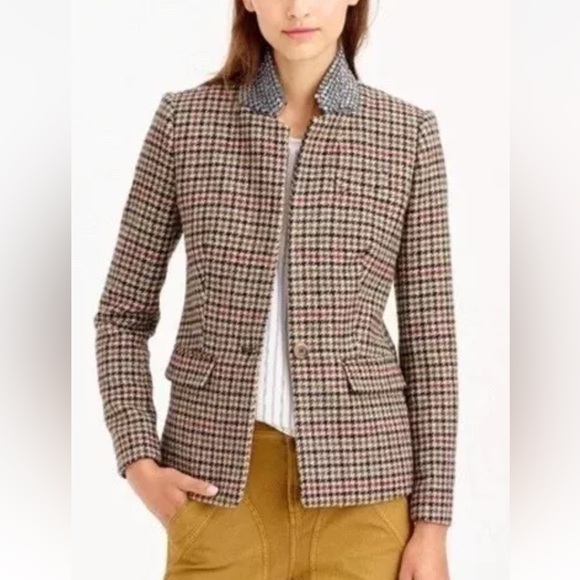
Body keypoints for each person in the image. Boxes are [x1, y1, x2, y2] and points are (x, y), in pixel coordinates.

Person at [93, 1, 459, 579]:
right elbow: (121, 315)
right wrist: (137, 460)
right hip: (215, 490)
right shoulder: (185, 123)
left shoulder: (406, 134)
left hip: (365, 494)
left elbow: (431, 340)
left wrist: (432, 524)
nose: (298, 8)